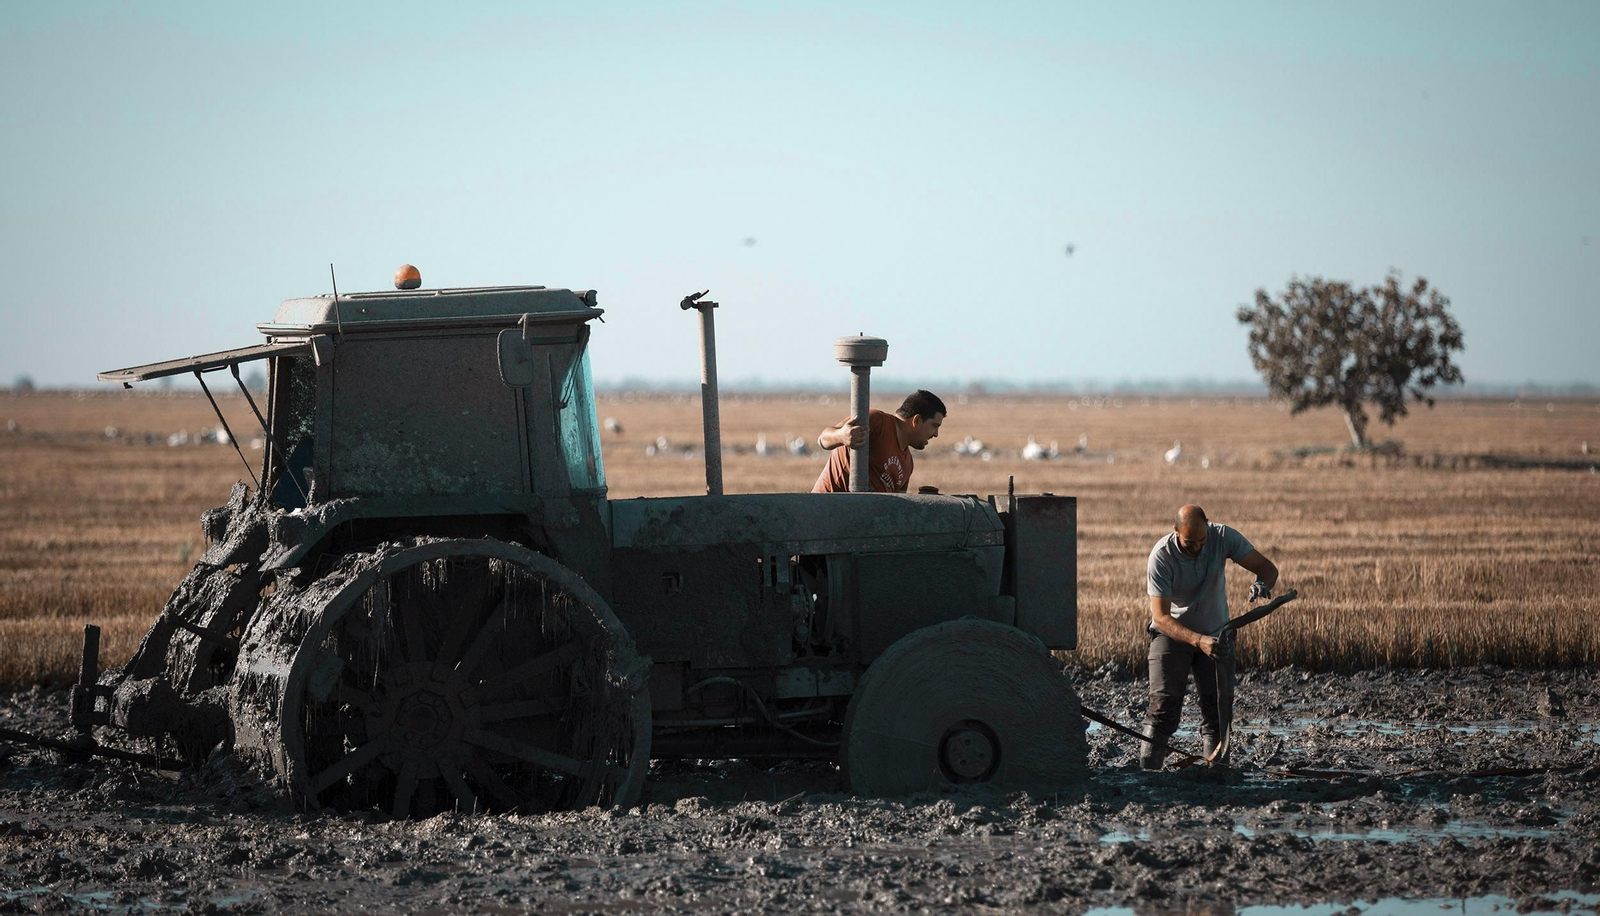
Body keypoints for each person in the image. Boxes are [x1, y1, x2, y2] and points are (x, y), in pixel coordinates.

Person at [1141, 504, 1279, 770]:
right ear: (1175, 532)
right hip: (1172, 635)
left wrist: (1262, 584)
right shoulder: (1161, 556)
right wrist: (1197, 640)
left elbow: (1267, 568)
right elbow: (1160, 617)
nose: (1198, 549)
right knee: (1163, 708)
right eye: (1189, 543)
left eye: (1202, 541)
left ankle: (1217, 774)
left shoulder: (1222, 537)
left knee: (1218, 713)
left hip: (1216, 636)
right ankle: (1148, 775)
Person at [811, 390, 945, 493]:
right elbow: (823, 439)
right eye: (935, 426)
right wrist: (842, 435)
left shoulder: (908, 464)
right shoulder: (877, 422)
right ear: (916, 420)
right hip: (823, 514)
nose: (936, 434)